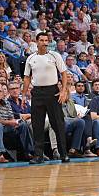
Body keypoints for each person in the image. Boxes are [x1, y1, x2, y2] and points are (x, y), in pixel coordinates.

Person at [23, 32, 70, 164]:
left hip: (53, 92)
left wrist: (63, 91)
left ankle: (63, 154)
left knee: (57, 124)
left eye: (46, 40)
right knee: (37, 124)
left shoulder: (55, 55)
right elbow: (27, 77)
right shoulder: (31, 58)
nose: (45, 42)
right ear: (36, 42)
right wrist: (23, 94)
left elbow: (64, 73)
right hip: (37, 92)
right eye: (42, 40)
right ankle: (38, 155)